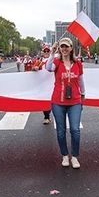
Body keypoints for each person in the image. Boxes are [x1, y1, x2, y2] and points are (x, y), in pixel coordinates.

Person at [46, 37, 85, 169]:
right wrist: (52, 52)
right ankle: (64, 155)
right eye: (62, 47)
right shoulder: (57, 62)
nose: (64, 49)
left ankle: (74, 156)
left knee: (75, 129)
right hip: (58, 101)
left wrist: (83, 94)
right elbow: (48, 68)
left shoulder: (78, 63)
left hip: (75, 100)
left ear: (71, 48)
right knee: (61, 131)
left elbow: (80, 80)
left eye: (66, 47)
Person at [33, 45, 53, 124]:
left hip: (52, 83)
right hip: (42, 84)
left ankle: (48, 115)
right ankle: (46, 116)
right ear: (42, 52)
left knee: (51, 100)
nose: (46, 52)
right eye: (45, 51)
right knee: (44, 99)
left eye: (48, 51)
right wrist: (35, 68)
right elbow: (33, 67)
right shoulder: (39, 61)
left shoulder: (53, 60)